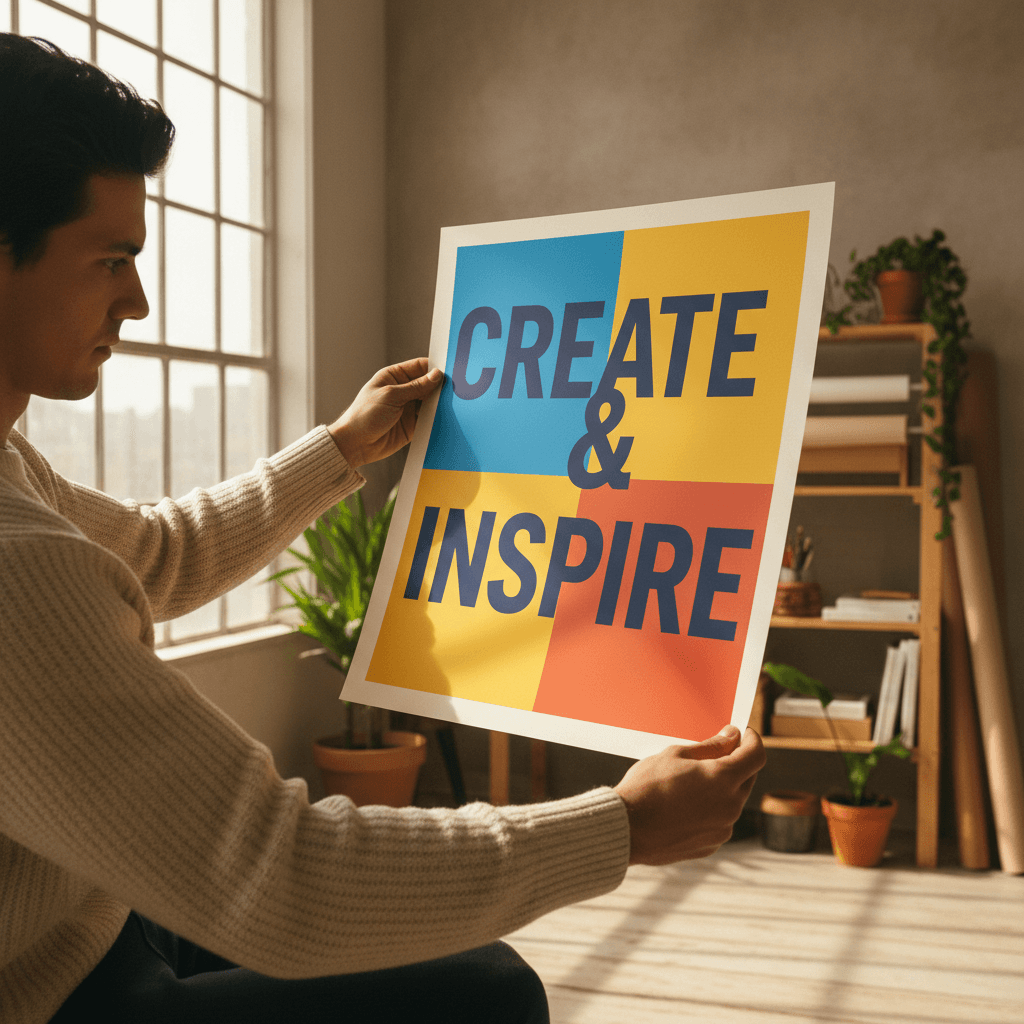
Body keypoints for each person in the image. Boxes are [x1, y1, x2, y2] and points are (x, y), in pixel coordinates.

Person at [0, 34, 766, 1024]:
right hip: (53, 999)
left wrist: (341, 451)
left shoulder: (15, 469)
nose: (137, 302)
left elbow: (158, 553)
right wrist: (621, 827)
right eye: (111, 259)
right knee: (488, 993)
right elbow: (284, 879)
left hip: (79, 927)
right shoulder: (15, 565)